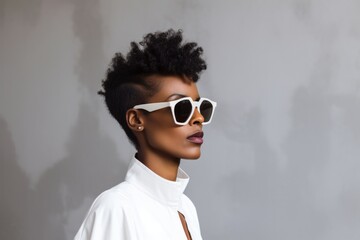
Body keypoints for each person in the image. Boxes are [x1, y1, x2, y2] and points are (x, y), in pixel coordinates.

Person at [74, 29, 217, 240]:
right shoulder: (116, 208)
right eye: (182, 107)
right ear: (137, 120)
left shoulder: (186, 208)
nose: (199, 118)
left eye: (200, 106)